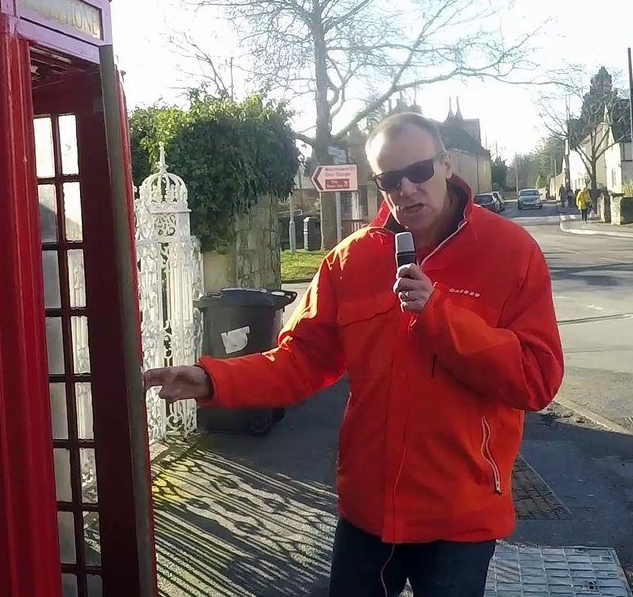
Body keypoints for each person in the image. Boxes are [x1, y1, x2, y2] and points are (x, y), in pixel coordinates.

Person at [144, 112, 564, 597]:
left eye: (419, 171)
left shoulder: (510, 251)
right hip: (368, 511)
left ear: (446, 164)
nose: (406, 188)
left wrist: (440, 315)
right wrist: (213, 379)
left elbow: (537, 378)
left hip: (459, 517)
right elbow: (299, 361)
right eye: (390, 179)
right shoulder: (350, 261)